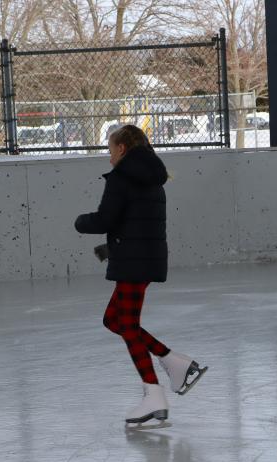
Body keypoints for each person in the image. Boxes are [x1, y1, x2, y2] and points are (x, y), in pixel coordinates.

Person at [74, 124, 207, 428]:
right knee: (114, 320)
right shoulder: (153, 179)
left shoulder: (122, 178)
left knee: (127, 324)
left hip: (133, 263)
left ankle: (154, 392)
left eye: (110, 151)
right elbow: (136, 224)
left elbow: (106, 218)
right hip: (143, 260)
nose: (109, 159)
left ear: (121, 148)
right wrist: (111, 248)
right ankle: (176, 363)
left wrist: (80, 222)